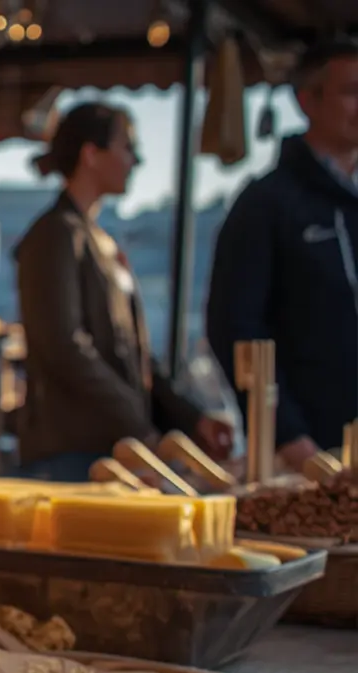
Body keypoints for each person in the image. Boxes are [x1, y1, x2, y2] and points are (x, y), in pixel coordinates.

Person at [14, 103, 233, 481]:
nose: (137, 161)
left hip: (111, 447)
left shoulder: (98, 240)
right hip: (72, 456)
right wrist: (135, 422)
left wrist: (191, 419)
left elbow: (134, 357)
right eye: (127, 147)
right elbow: (64, 346)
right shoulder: (55, 236)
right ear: (91, 154)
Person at [207, 37, 358, 471]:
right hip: (307, 461)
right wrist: (290, 438)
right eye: (352, 92)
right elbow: (235, 328)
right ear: (308, 100)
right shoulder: (266, 203)